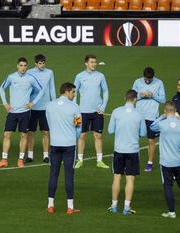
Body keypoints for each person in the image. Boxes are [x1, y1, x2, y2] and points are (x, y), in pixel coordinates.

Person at [0, 57, 44, 168]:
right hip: (12, 112)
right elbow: (1, 88)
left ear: (27, 67)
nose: (23, 68)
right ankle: (4, 160)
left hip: (25, 112)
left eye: (25, 66)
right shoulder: (11, 77)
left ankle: (20, 159)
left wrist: (33, 102)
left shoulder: (31, 78)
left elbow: (41, 90)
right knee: (7, 134)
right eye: (21, 65)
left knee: (23, 135)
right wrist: (5, 103)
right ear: (17, 66)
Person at [150, 101, 180, 218]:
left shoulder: (162, 124)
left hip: (165, 162)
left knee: (168, 186)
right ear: (175, 111)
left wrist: (161, 117)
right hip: (179, 161)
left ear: (165, 111)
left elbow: (152, 127)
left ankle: (171, 213)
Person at [107, 90, 146, 215]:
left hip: (119, 150)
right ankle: (126, 208)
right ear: (135, 99)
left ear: (125, 98)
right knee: (130, 179)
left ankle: (114, 206)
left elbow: (110, 130)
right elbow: (143, 133)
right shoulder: (139, 114)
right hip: (133, 151)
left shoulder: (116, 112)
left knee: (117, 177)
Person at [46, 82, 81, 215]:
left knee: (53, 174)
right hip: (69, 146)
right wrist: (73, 137)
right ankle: (70, 207)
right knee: (69, 175)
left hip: (55, 145)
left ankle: (50, 205)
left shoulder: (50, 106)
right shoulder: (74, 107)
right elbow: (78, 127)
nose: (74, 94)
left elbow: (49, 123)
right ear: (67, 91)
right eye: (73, 92)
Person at [74, 54, 109, 169]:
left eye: (95, 62)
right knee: (81, 135)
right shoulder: (79, 76)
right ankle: (79, 160)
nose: (94, 64)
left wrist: (103, 106)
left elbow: (105, 91)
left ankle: (99, 160)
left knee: (98, 135)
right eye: (92, 62)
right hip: (81, 112)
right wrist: (75, 107)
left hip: (97, 112)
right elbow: (74, 92)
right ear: (86, 63)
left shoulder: (100, 76)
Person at [132, 67, 166, 172]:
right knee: (134, 139)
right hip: (139, 116)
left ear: (153, 77)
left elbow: (163, 99)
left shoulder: (159, 83)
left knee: (151, 140)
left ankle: (150, 162)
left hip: (152, 117)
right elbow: (132, 97)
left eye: (150, 80)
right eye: (146, 79)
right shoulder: (137, 82)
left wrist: (153, 94)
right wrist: (140, 95)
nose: (148, 81)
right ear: (143, 76)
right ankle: (134, 161)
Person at [26, 54, 56, 164]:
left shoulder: (50, 72)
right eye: (40, 63)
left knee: (45, 132)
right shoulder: (29, 72)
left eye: (43, 63)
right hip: (32, 108)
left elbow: (52, 88)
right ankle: (30, 155)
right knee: (31, 132)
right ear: (35, 63)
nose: (42, 65)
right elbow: (27, 88)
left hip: (45, 107)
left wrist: (53, 104)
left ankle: (45, 155)